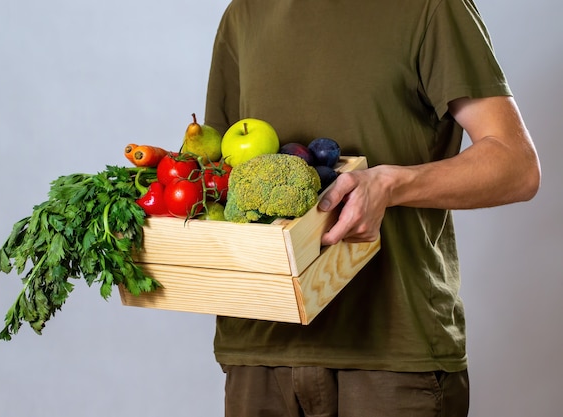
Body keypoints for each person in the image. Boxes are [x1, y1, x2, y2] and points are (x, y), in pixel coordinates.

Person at [203, 1, 541, 416]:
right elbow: (217, 178)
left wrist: (390, 183)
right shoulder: (244, 14)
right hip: (259, 352)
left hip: (392, 352)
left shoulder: (433, 8)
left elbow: (517, 165)